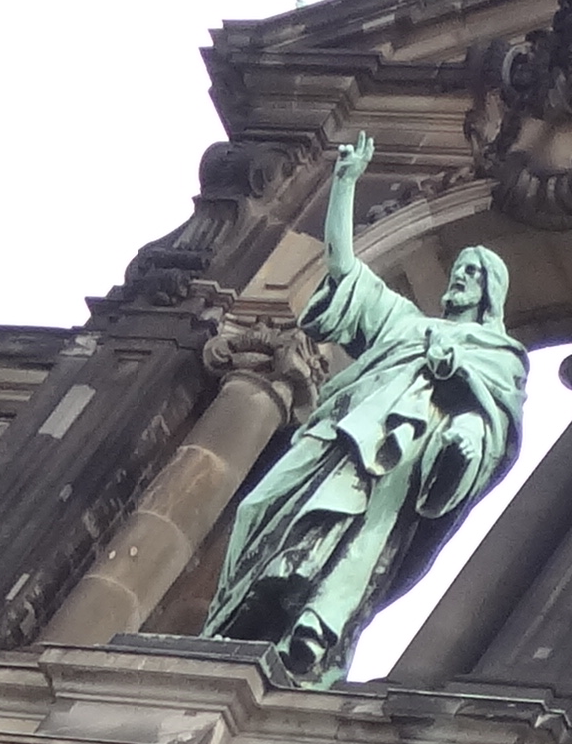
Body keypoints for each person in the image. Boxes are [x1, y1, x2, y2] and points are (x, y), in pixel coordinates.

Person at [200, 136, 529, 687]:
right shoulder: (406, 322)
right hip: (334, 433)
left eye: (473, 274)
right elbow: (344, 266)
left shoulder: (497, 355)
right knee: (258, 508)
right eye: (460, 269)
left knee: (352, 539)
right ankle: (231, 616)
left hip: (391, 460)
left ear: (491, 292)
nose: (459, 278)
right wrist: (346, 183)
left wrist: (466, 439)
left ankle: (310, 635)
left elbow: (492, 417)